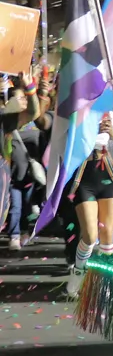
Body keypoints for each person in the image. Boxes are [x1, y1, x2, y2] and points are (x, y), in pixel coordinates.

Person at [66, 112, 113, 294]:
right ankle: (78, 274)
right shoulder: (77, 110)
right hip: (84, 174)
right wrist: (92, 130)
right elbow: (71, 144)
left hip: (106, 173)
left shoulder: (109, 113)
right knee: (90, 236)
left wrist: (112, 133)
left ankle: (105, 283)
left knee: (108, 232)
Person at [2, 72, 41, 250]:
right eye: (20, 98)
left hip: (17, 176)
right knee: (16, 206)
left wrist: (30, 87)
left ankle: (20, 232)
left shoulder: (6, 120)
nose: (23, 100)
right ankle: (15, 234)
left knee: (22, 206)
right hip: (10, 177)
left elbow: (33, 112)